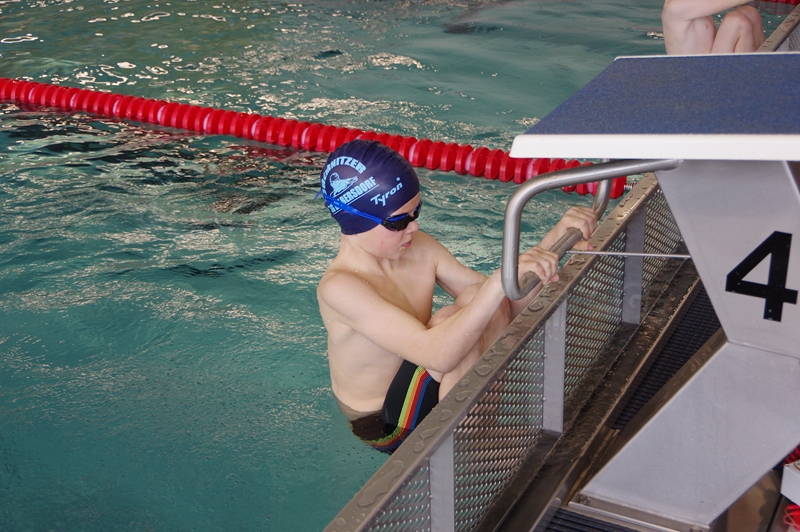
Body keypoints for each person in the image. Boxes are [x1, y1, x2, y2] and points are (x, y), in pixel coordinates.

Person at [316, 140, 596, 453]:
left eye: (416, 211)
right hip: (387, 425)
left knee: (477, 298)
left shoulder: (419, 247)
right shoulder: (340, 288)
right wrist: (496, 284)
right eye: (398, 221)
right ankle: (473, 444)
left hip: (427, 394)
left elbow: (505, 306)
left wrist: (551, 246)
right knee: (456, 317)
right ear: (357, 221)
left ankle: (480, 430)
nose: (414, 226)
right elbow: (438, 355)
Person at [662, 0, 764, 54]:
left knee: (750, 13)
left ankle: (765, 61)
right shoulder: (675, 8)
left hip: (712, 65)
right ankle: (750, 76)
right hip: (698, 78)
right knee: (735, 21)